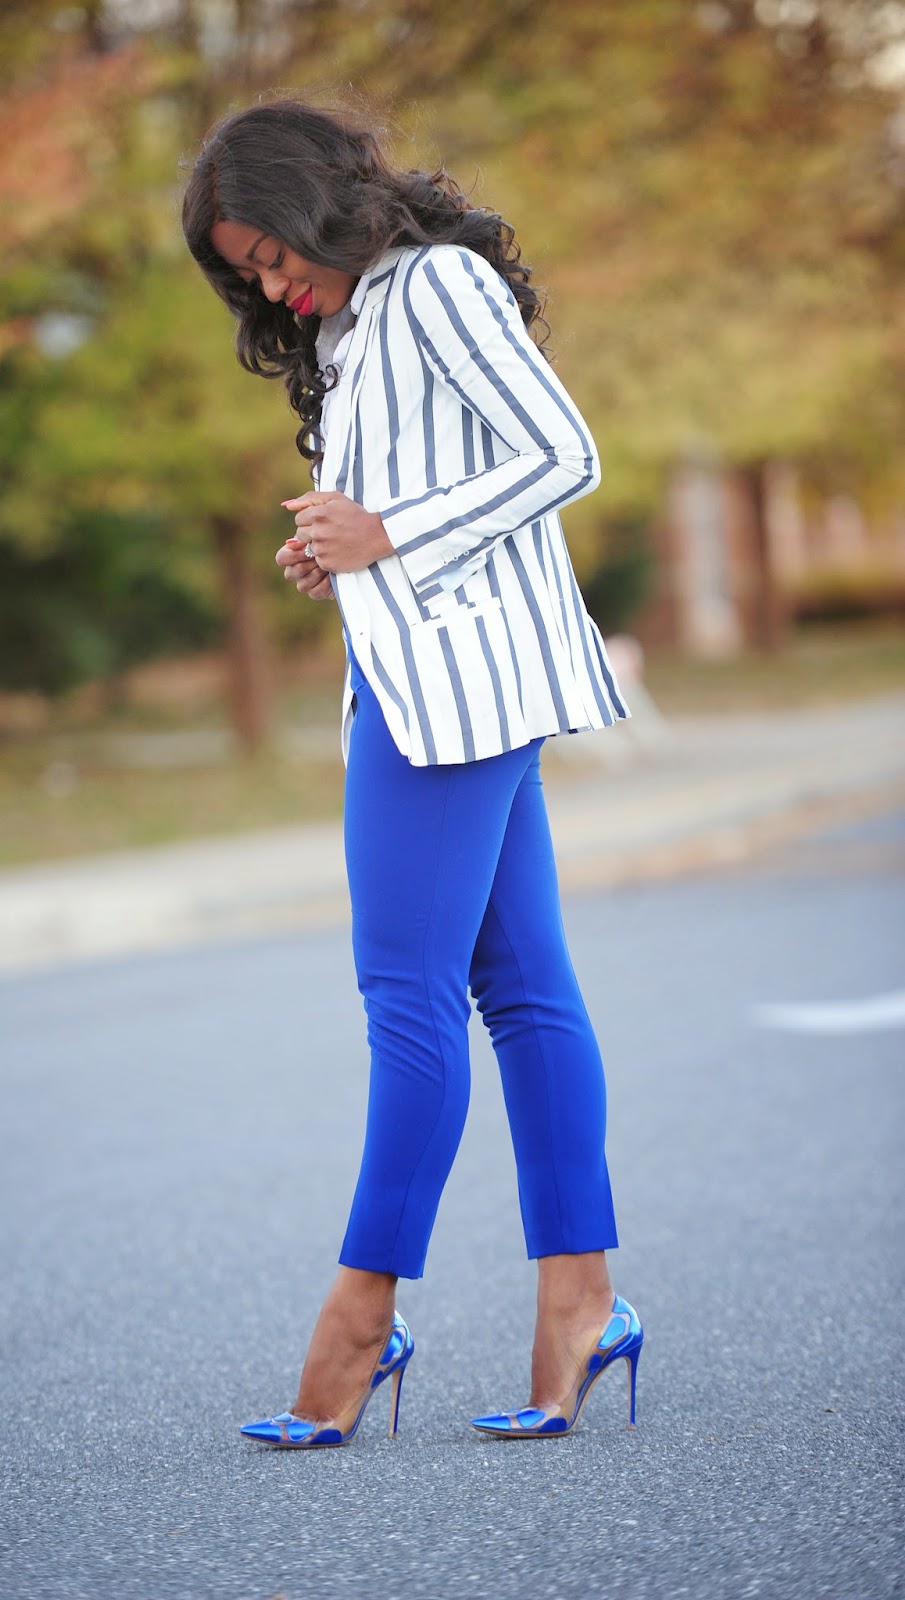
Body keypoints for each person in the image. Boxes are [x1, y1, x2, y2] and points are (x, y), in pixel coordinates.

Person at [181, 97, 643, 1449]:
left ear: (317, 205)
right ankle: (583, 1307)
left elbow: (563, 454)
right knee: (523, 993)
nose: (272, 285)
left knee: (407, 1000)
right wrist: (341, 550)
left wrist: (388, 532)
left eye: (272, 253)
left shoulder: (435, 283)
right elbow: (417, 509)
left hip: (453, 694)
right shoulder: (350, 328)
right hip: (428, 677)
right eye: (248, 274)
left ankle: (359, 1324)